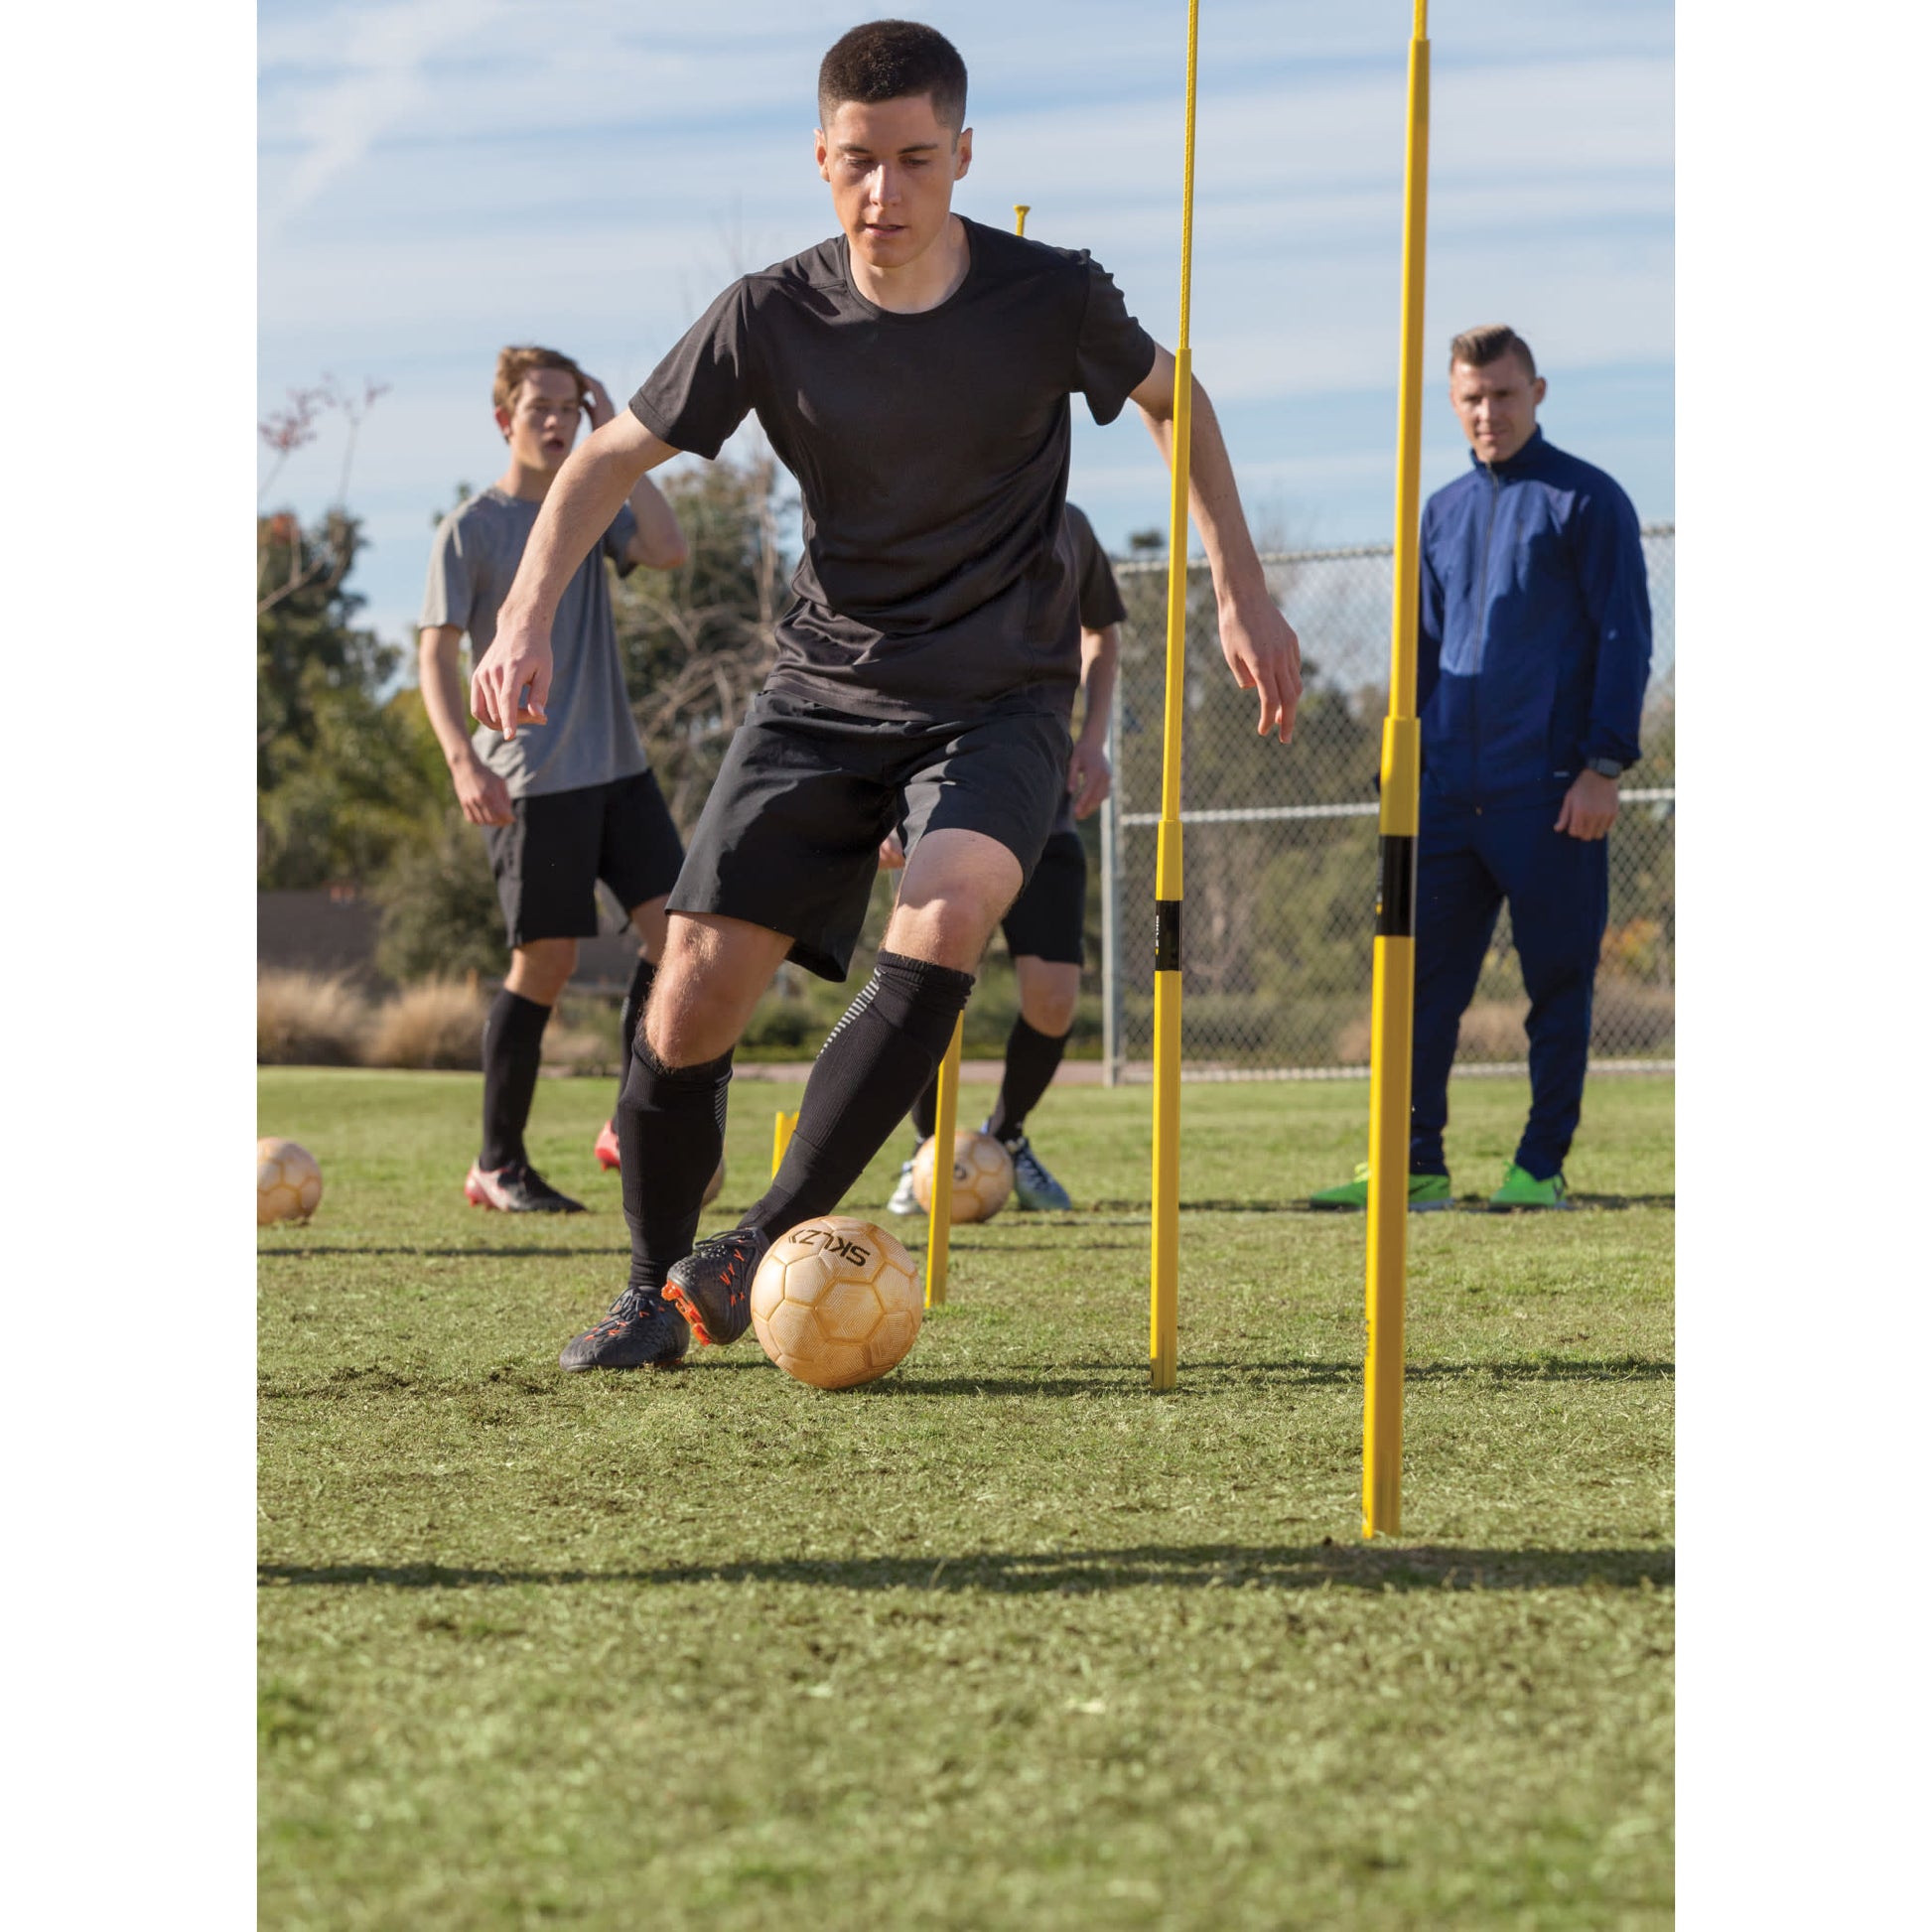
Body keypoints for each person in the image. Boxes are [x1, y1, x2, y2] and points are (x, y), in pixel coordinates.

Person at [469, 20, 1302, 1371]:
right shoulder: (767, 314)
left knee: (953, 904)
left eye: (917, 160)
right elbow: (612, 457)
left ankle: (758, 1242)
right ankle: (645, 1291)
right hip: (823, 689)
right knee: (686, 992)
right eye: (858, 162)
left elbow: (1175, 397)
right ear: (819, 158)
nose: (885, 193)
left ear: (962, 155)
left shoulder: (1050, 297)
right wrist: (521, 615)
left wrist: (1237, 585)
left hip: (1002, 693)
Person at [1311, 324, 1652, 1213]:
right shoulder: (1442, 512)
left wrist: (1603, 766)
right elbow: (1424, 650)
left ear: (1537, 392)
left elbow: (1625, 638)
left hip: (1551, 796)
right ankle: (1414, 1163)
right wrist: (1403, 765)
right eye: (1470, 398)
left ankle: (1539, 1167)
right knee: (1418, 989)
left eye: (1502, 394)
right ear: (1453, 403)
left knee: (1557, 988)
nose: (1487, 413)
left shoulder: (1589, 502)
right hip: (1447, 799)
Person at [419, 345, 688, 1213]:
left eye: (569, 407)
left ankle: (625, 1119)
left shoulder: (594, 506)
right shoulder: (472, 527)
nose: (555, 420)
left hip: (620, 767)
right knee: (547, 962)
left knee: (680, 938)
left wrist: (618, 431)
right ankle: (498, 1165)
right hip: (530, 776)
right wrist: (464, 758)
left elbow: (670, 546)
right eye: (539, 406)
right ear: (505, 419)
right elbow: (437, 653)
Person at [883, 500, 1123, 1214]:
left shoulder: (1071, 525)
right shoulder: (931, 516)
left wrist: (1094, 738)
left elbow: (1101, 634)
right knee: (929, 981)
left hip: (1045, 802)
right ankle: (927, 1154)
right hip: (949, 797)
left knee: (1053, 1001)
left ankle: (1008, 1138)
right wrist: (891, 794)